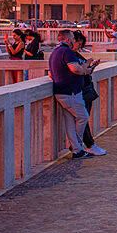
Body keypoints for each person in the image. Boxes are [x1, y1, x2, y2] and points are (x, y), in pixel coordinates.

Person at [48, 30, 100, 159]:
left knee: (70, 121)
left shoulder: (55, 52)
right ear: (66, 39)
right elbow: (75, 69)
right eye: (72, 38)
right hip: (71, 93)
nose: (73, 41)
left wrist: (86, 67)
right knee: (82, 117)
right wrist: (84, 70)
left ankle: (77, 150)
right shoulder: (67, 52)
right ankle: (76, 146)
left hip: (61, 92)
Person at [72, 31, 107, 156]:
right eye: (78, 42)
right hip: (80, 90)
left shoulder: (76, 54)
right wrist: (87, 65)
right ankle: (88, 145)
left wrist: (91, 67)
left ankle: (79, 145)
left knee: (84, 117)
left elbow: (84, 71)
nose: (79, 44)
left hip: (85, 88)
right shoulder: (71, 55)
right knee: (83, 118)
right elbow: (78, 71)